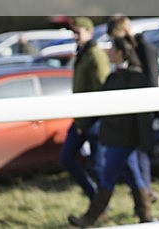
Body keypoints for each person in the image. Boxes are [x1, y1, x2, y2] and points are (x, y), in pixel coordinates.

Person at [68, 38, 154, 227]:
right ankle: (146, 216)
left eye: (113, 49)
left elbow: (143, 115)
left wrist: (145, 143)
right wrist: (84, 122)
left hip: (125, 138)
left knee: (108, 177)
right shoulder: (113, 77)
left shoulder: (135, 77)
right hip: (114, 136)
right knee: (134, 177)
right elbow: (102, 105)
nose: (109, 53)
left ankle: (89, 218)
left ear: (122, 52)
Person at [106, 14, 159, 203]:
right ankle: (142, 191)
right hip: (133, 107)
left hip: (144, 106)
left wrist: (153, 105)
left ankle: (145, 190)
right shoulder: (133, 46)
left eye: (116, 35)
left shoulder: (144, 47)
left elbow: (152, 78)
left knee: (141, 150)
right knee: (134, 151)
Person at [59, 17, 110, 206]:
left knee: (98, 166)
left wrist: (89, 121)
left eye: (78, 32)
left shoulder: (96, 55)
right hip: (81, 118)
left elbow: (102, 88)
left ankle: (102, 205)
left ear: (89, 32)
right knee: (66, 158)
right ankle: (96, 198)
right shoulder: (82, 53)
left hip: (94, 120)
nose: (75, 36)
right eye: (74, 32)